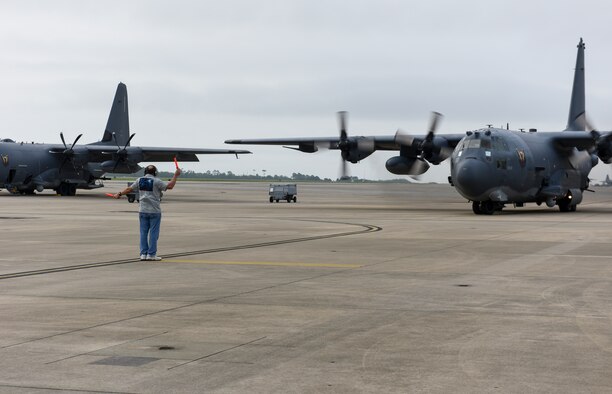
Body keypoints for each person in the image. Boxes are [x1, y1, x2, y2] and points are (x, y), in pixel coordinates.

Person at [114, 165, 181, 261]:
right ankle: (151, 254)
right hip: (154, 211)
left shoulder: (139, 180)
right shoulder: (157, 181)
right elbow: (169, 186)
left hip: (143, 210)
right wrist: (176, 175)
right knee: (154, 233)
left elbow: (129, 189)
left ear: (145, 172)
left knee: (143, 233)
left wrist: (119, 193)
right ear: (155, 172)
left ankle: (143, 254)